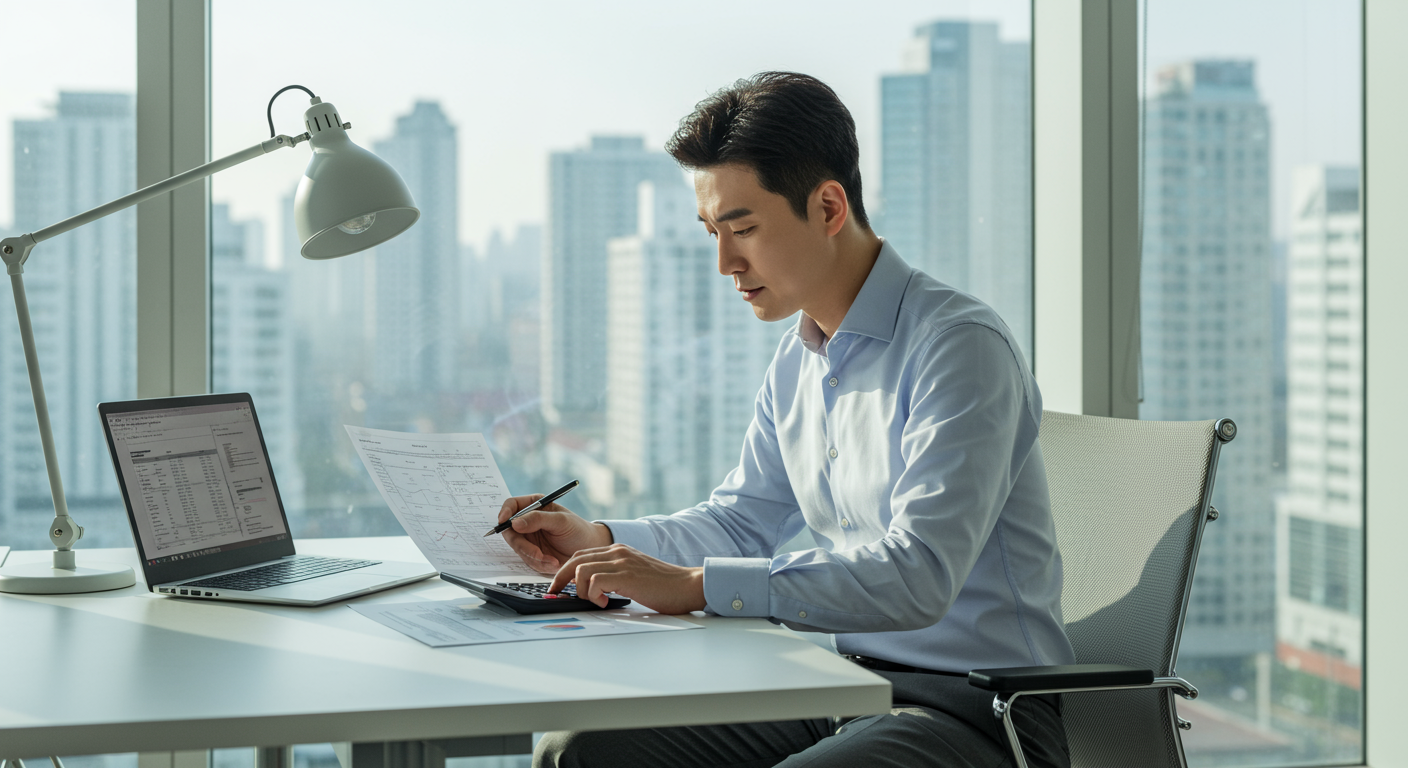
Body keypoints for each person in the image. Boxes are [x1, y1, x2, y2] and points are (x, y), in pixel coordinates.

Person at [499, 71, 1075, 768]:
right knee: (582, 752)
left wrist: (702, 586)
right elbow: (743, 520)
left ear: (829, 207)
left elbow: (920, 575)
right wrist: (602, 540)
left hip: (983, 711)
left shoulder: (958, 346)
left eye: (743, 228)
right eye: (713, 232)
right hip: (844, 687)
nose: (724, 263)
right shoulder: (799, 358)